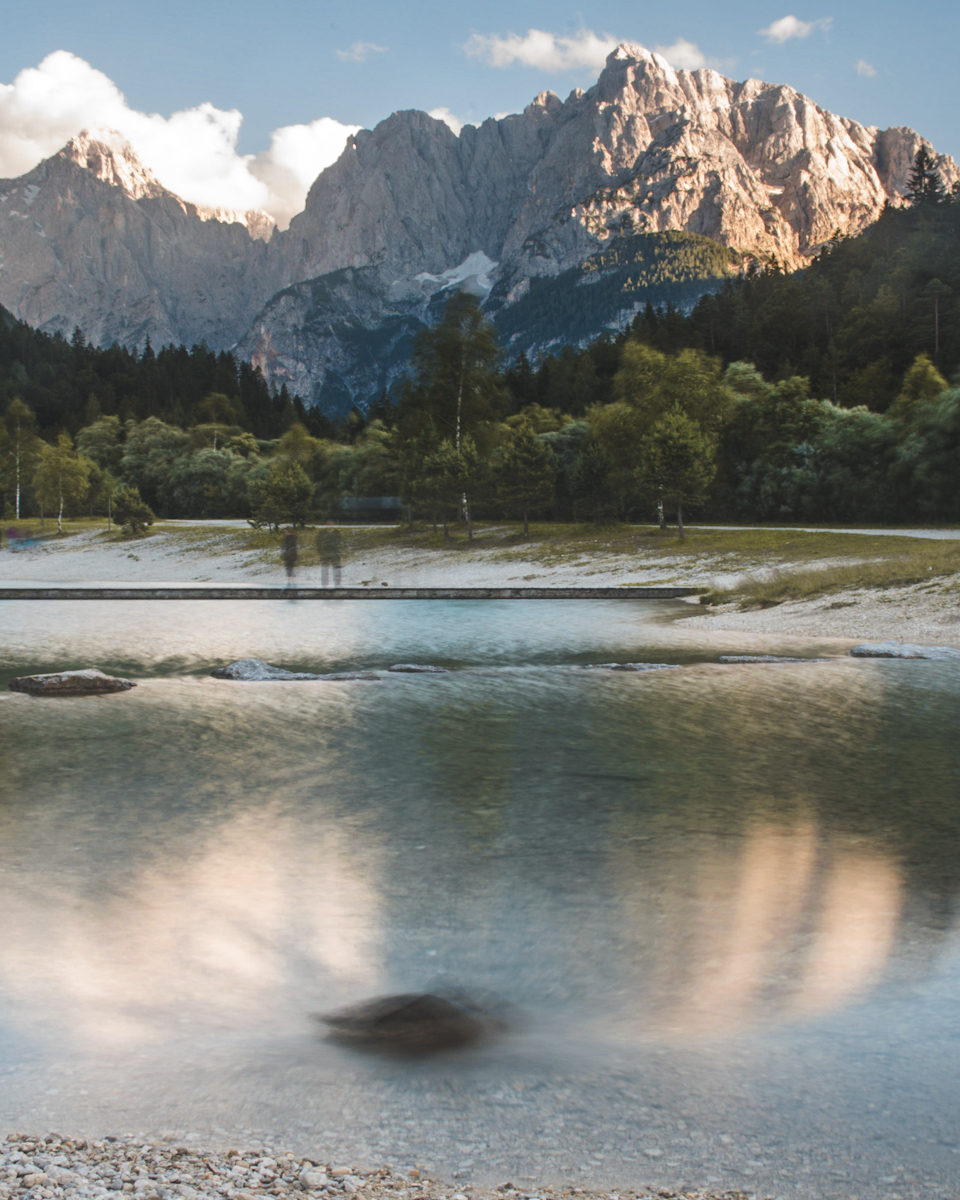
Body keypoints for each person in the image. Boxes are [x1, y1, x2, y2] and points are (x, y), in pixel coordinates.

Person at [318, 519, 342, 587]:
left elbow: (340, 543)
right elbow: (318, 543)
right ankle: (324, 585)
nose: (330, 525)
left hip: (335, 554)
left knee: (336, 569)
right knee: (324, 570)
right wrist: (321, 551)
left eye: (331, 524)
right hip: (325, 554)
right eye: (328, 524)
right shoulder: (322, 533)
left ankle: (337, 584)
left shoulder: (337, 533)